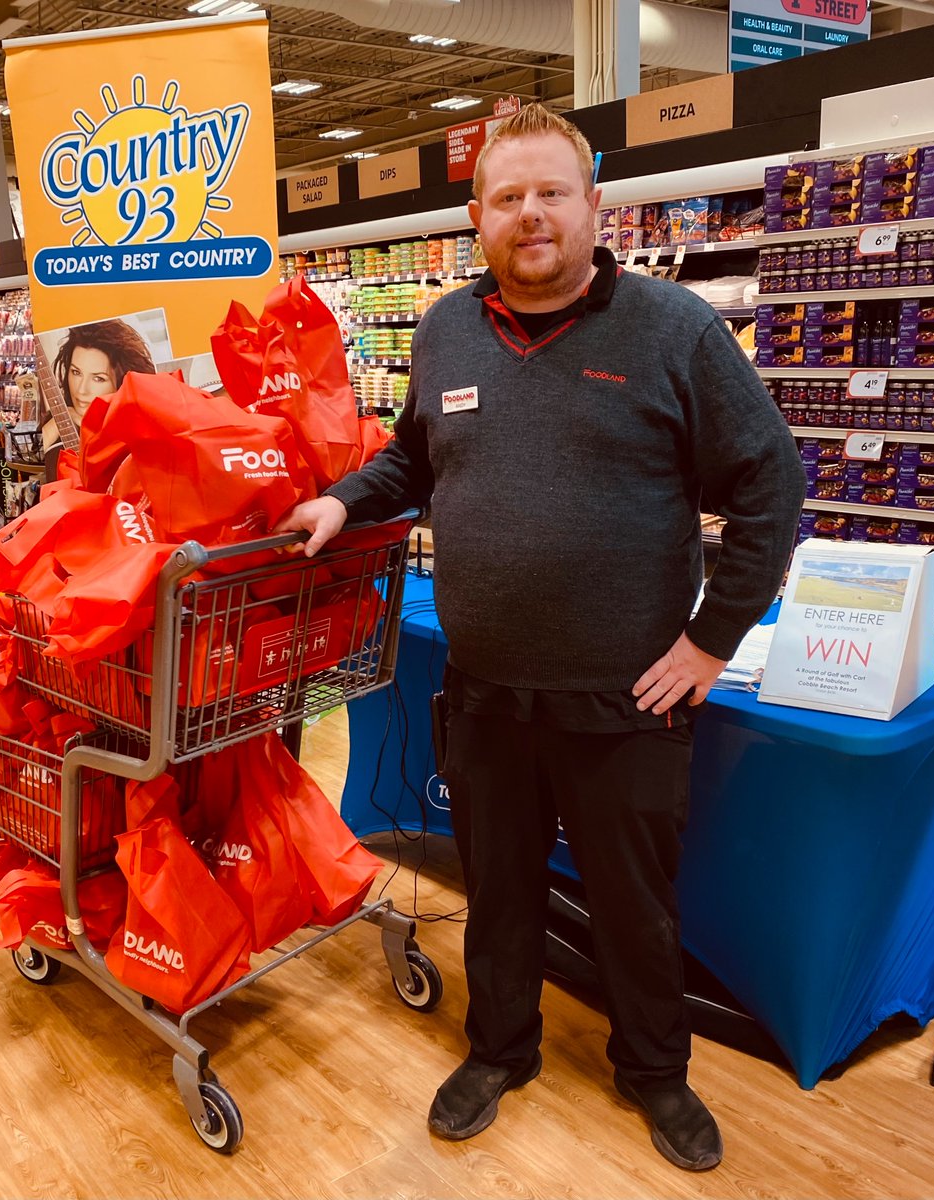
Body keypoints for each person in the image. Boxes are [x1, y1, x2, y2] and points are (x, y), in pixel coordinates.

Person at [274, 104, 805, 1173]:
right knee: (497, 893)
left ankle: (656, 1071)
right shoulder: (446, 330)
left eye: (551, 192)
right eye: (508, 197)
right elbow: (414, 464)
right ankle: (499, 1048)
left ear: (594, 206)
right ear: (478, 218)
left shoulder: (674, 332)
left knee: (635, 907)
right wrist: (343, 502)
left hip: (629, 701)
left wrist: (709, 644)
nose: (531, 215)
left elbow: (773, 486)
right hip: (486, 696)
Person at [40, 318, 156, 452]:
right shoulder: (53, 425)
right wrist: (58, 422)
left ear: (122, 383)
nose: (81, 390)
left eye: (98, 378)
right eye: (76, 372)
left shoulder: (142, 435)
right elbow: (28, 459)